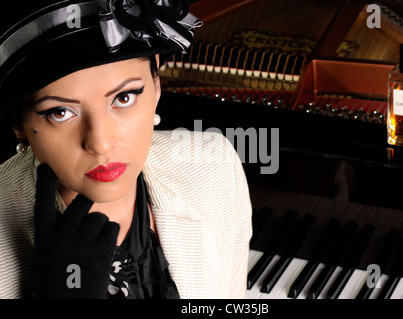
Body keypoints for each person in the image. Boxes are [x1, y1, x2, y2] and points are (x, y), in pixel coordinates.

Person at [0, 0, 252, 299]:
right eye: (60, 112)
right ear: (19, 123)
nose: (101, 144)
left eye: (123, 98)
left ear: (156, 82)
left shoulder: (214, 163)